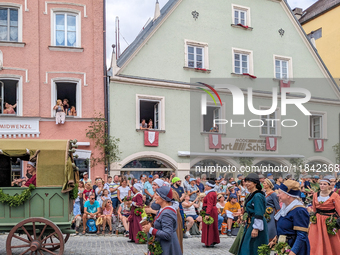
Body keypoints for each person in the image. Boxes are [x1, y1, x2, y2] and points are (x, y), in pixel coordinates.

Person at [269, 180, 310, 255]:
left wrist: (293, 252)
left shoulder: (299, 211)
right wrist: (276, 238)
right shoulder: (286, 208)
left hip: (293, 247)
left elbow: (301, 235)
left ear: (288, 195)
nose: (278, 195)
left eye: (280, 193)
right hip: (284, 245)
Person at [142, 186, 182, 255]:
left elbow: (167, 234)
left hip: (167, 248)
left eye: (157, 195)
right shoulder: (163, 209)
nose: (155, 197)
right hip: (164, 246)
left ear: (163, 198)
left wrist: (151, 230)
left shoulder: (167, 213)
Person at [308, 176, 340, 255]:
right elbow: (314, 209)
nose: (322, 186)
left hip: (329, 220)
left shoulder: (334, 196)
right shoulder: (315, 195)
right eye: (321, 184)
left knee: (331, 239)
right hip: (318, 220)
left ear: (329, 185)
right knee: (315, 238)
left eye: (324, 184)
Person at [238, 173, 268, 255]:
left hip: (256, 224)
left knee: (253, 247)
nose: (246, 183)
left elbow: (259, 212)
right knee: (248, 246)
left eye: (249, 181)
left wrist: (256, 228)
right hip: (251, 222)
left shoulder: (258, 196)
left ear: (255, 183)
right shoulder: (252, 194)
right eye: (246, 181)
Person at [201, 180, 220, 248]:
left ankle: (210, 241)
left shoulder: (210, 194)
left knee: (210, 226)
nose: (205, 186)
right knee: (212, 225)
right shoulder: (211, 193)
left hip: (211, 211)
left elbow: (210, 204)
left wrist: (207, 214)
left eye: (206, 185)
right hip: (212, 210)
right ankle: (212, 240)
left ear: (209, 186)